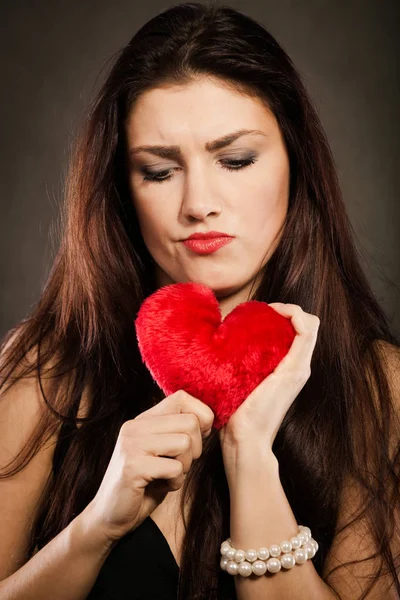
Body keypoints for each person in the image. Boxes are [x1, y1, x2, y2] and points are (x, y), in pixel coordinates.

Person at [0, 2, 399, 599]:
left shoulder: (376, 386)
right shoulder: (46, 367)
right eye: (159, 172)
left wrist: (250, 457)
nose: (198, 203)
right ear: (121, 187)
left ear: (297, 163)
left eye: (235, 160)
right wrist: (94, 530)